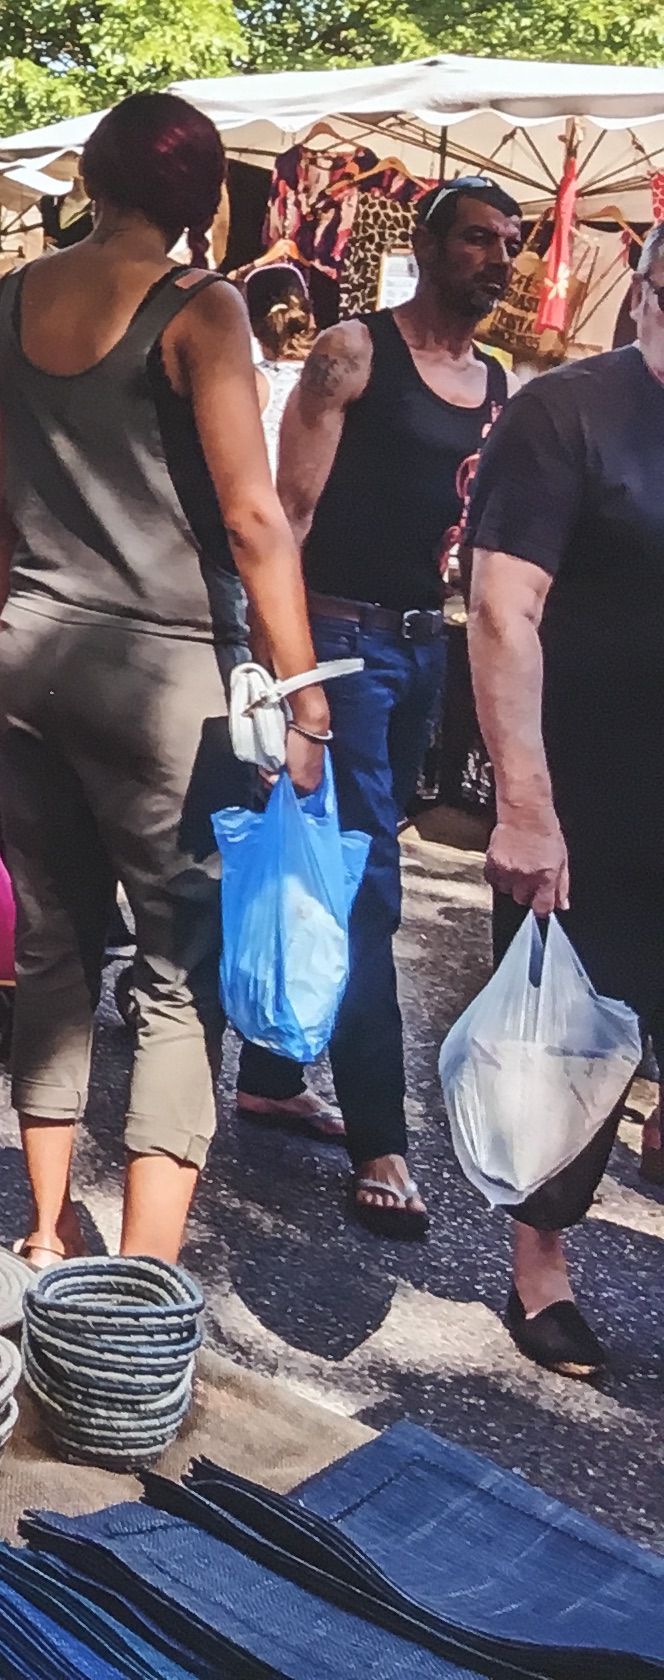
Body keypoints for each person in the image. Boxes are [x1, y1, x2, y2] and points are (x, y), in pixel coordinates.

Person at [0, 92, 329, 1270]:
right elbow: (252, 519)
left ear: (93, 173)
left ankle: (43, 1229)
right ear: (201, 196)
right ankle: (145, 1273)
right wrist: (304, 687)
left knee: (54, 948)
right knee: (181, 974)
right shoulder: (205, 307)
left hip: (36, 652)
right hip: (168, 677)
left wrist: (6, 626)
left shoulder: (15, 297)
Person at [250, 175, 523, 1238]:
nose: (496, 259)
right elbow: (290, 514)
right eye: (476, 240)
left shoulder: (496, 379)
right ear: (427, 246)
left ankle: (271, 1074)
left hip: (421, 645)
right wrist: (290, 670)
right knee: (368, 886)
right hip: (344, 641)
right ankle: (381, 1138)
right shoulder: (355, 350)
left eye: (508, 242)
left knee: (335, 854)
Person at [466, 217, 664, 1381]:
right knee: (569, 1043)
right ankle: (540, 1261)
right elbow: (502, 611)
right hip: (588, 792)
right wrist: (526, 804)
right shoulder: (570, 414)